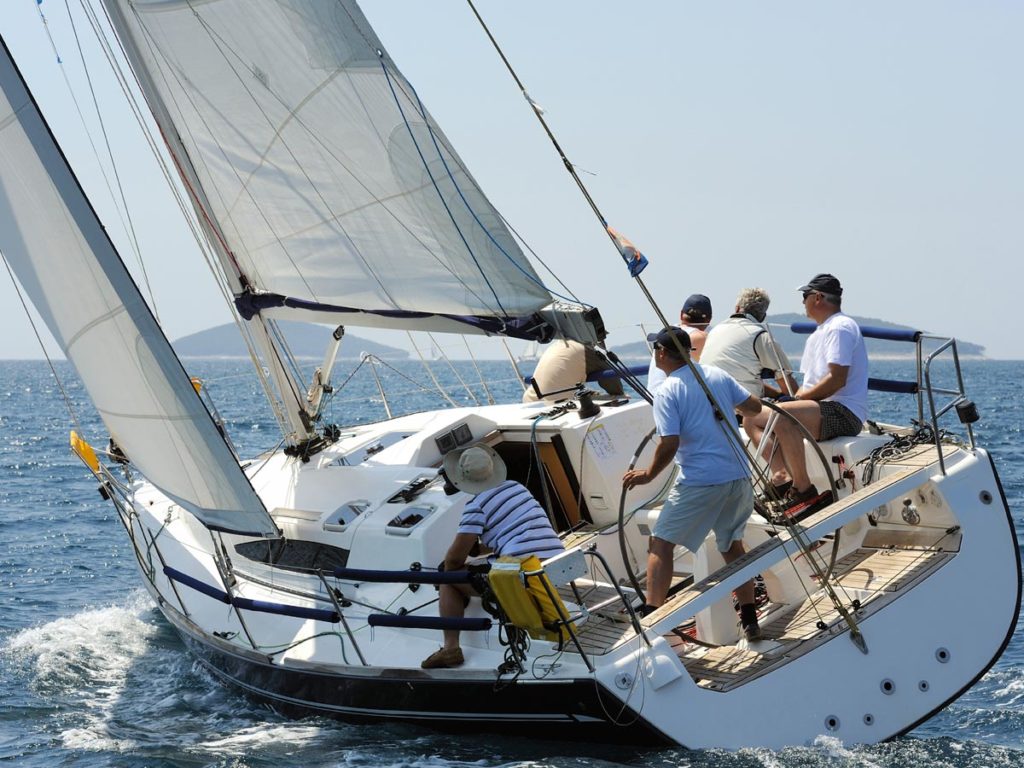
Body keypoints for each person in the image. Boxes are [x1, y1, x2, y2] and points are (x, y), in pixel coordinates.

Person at [623, 327, 764, 641]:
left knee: (661, 543)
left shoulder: (667, 390)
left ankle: (651, 621)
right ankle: (750, 620)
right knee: (731, 545)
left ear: (661, 352)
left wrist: (647, 474)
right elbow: (754, 407)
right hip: (739, 477)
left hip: (701, 482)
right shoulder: (716, 374)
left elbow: (669, 443)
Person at [421, 444, 564, 669]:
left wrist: (451, 573)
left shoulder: (476, 505)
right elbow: (509, 533)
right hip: (557, 562)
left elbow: (455, 559)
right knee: (475, 567)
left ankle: (450, 648)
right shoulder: (517, 488)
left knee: (448, 579)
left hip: (524, 573)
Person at [744, 274, 868, 506]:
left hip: (843, 412)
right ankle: (782, 476)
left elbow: (837, 380)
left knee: (781, 415)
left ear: (818, 297)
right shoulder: (820, 333)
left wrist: (796, 399)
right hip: (821, 409)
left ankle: (803, 489)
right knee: (751, 418)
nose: (802, 302)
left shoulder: (840, 328)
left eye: (805, 296)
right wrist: (795, 400)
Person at [701, 287, 798, 399]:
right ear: (763, 316)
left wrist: (777, 394)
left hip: (707, 402)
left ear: (736, 309)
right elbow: (789, 388)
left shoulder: (714, 331)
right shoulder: (760, 336)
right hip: (741, 410)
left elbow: (736, 378)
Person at [647, 294, 713, 394]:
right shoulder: (700, 337)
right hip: (675, 399)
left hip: (653, 397)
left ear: (681, 314)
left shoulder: (666, 333)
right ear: (708, 320)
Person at [523, 338, 623, 402]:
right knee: (621, 399)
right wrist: (620, 394)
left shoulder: (557, 345)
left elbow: (561, 375)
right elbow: (613, 384)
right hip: (555, 403)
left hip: (531, 400)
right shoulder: (586, 350)